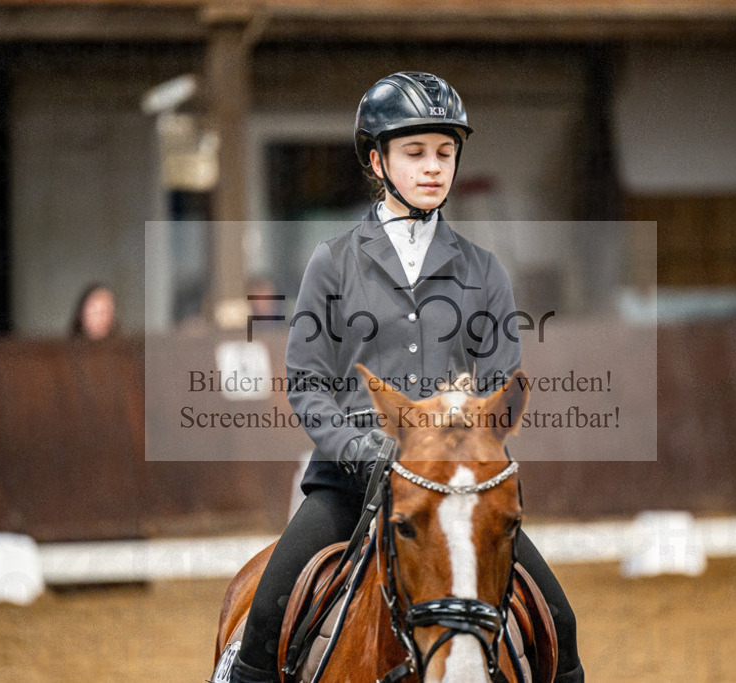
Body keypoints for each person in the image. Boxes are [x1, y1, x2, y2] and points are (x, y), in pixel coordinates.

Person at [229, 72, 584, 682]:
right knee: (266, 612)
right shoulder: (333, 261)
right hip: (348, 483)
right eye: (414, 152)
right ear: (377, 159)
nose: (433, 167)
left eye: (444, 153)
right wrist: (361, 449)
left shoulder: (483, 271)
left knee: (559, 621)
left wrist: (465, 432)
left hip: (452, 484)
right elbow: (307, 383)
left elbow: (502, 384)